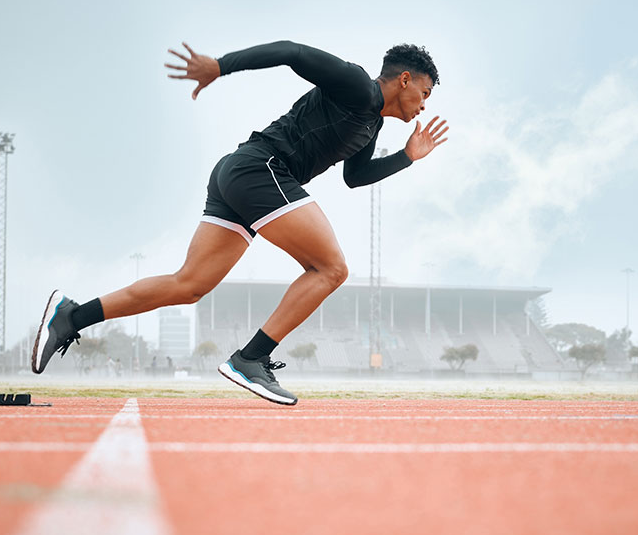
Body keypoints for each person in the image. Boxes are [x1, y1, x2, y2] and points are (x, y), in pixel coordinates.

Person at [32, 40, 448, 405]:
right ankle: (251, 358)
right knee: (331, 268)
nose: (424, 105)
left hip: (242, 174)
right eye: (425, 93)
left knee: (189, 285)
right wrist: (220, 65)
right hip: (261, 169)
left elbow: (354, 177)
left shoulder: (371, 123)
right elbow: (293, 52)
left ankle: (72, 316)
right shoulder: (357, 85)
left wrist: (406, 158)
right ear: (405, 80)